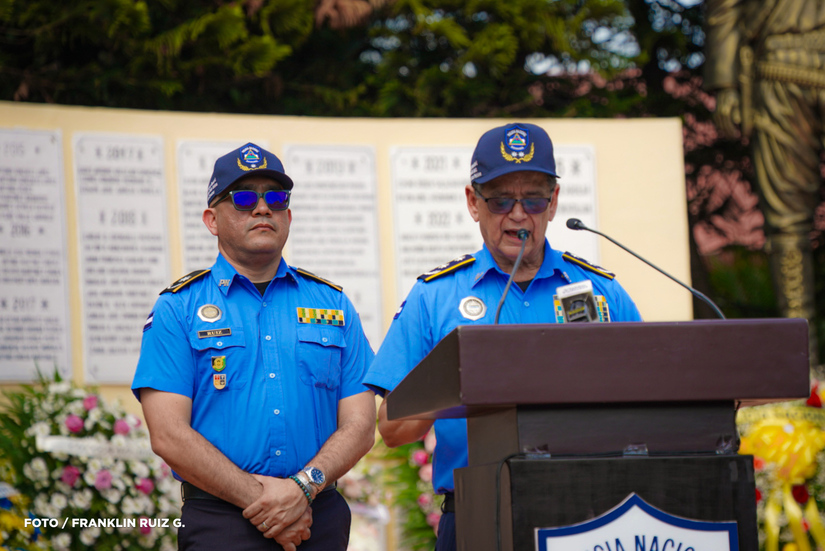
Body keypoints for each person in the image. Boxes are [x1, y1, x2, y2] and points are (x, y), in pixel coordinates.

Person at [363, 123, 642, 551]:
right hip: (477, 513)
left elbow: (647, 401)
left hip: (589, 510)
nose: (518, 214)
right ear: (473, 203)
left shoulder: (602, 291)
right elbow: (392, 429)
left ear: (553, 202)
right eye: (500, 200)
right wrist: (459, 380)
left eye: (533, 199)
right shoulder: (435, 298)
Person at [132, 142, 376, 551]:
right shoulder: (178, 308)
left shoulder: (333, 304)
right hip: (222, 522)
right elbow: (168, 434)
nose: (263, 208)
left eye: (276, 198)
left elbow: (361, 425)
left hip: (317, 517)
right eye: (244, 198)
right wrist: (263, 501)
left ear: (288, 216)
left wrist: (303, 488)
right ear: (212, 220)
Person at [704, 0, 823, 372]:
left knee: (787, 224)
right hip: (779, 68)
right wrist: (726, 83)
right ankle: (805, 365)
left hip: (780, 67)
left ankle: (804, 365)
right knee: (787, 223)